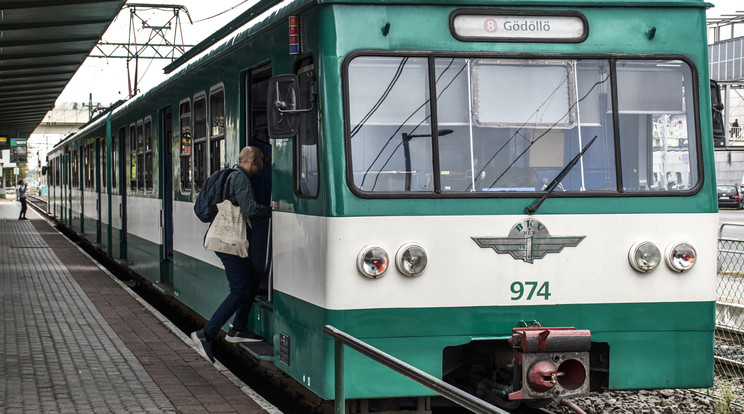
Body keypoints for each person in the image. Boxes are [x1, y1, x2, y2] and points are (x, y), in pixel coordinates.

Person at [191, 146, 272, 363]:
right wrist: (273, 211)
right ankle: (205, 334)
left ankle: (238, 328)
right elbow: (250, 209)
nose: (263, 165)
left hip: (227, 242)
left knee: (253, 278)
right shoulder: (241, 179)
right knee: (238, 291)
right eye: (262, 160)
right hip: (229, 243)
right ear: (253, 161)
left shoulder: (231, 175)